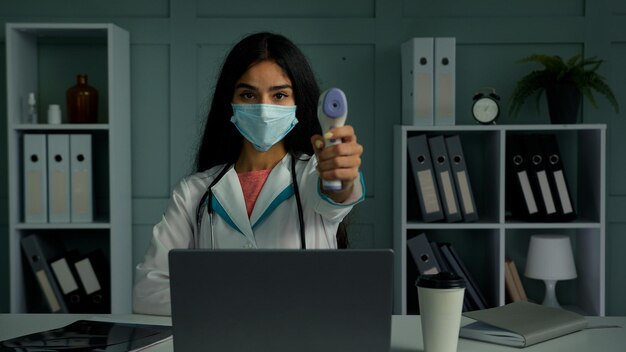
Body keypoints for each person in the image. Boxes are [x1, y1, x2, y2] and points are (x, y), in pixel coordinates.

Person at [133, 32, 365, 315]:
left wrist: (341, 172)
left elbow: (338, 194)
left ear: (298, 103)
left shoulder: (315, 175)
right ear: (229, 102)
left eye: (279, 95)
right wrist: (243, 306)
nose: (263, 110)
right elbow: (148, 291)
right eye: (248, 95)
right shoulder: (193, 193)